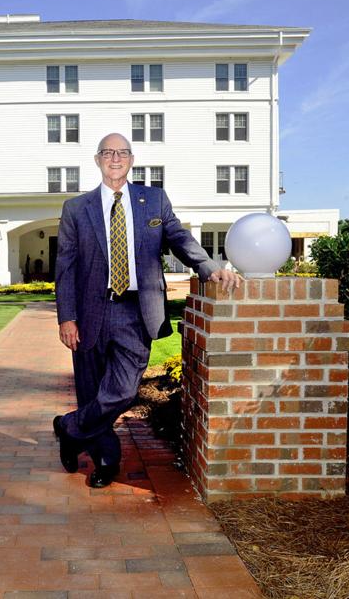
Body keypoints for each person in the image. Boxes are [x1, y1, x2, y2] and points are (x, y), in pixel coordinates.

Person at [53, 132, 242, 488]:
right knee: (92, 390)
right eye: (107, 152)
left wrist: (207, 267)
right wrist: (67, 317)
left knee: (123, 391)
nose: (115, 158)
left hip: (136, 311)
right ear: (97, 160)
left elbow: (178, 237)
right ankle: (106, 460)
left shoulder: (152, 200)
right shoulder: (76, 209)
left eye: (122, 152)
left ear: (131, 160)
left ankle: (70, 427)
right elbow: (65, 266)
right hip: (91, 310)